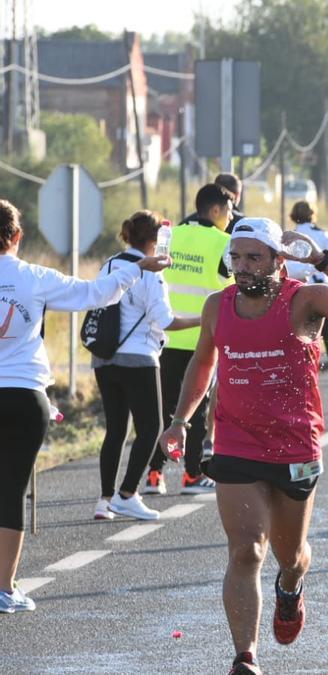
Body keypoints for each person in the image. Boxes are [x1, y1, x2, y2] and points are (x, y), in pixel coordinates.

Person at [158, 217, 328, 674]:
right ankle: (246, 657)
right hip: (236, 441)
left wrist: (322, 260)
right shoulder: (218, 306)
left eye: (253, 257)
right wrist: (180, 421)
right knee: (245, 551)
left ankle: (291, 588)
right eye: (235, 257)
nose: (241, 266)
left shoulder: (304, 299)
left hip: (295, 446)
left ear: (279, 259)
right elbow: (203, 364)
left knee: (290, 557)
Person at [0, 199, 168, 613]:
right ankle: (4, 588)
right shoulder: (33, 276)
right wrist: (137, 268)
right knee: (11, 490)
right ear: (17, 237)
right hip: (23, 394)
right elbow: (95, 294)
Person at [92, 211, 202, 522]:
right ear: (156, 240)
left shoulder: (110, 265)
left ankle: (104, 500)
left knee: (115, 429)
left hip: (104, 358)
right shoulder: (151, 273)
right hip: (139, 357)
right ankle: (128, 494)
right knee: (152, 426)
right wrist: (203, 319)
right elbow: (165, 320)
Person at [147, 183, 234, 496]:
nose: (231, 216)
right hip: (201, 341)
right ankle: (192, 475)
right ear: (214, 210)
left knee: (164, 410)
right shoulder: (225, 244)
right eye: (229, 210)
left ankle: (154, 474)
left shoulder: (169, 237)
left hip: (163, 338)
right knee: (195, 408)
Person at [284, 201, 328, 388]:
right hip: (323, 292)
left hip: (299, 293)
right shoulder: (322, 234)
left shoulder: (289, 237)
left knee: (300, 336)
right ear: (313, 214)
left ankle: (301, 375)